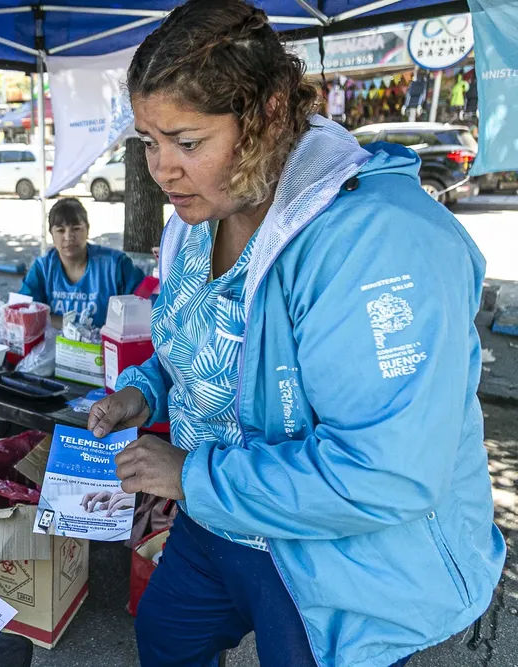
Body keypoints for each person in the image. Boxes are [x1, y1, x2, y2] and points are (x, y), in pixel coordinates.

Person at [87, 2, 505, 666]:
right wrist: (146, 392)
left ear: (269, 112)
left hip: (330, 551)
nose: (160, 169)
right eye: (148, 141)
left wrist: (193, 477)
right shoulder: (193, 223)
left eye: (186, 142)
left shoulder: (371, 242)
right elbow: (208, 351)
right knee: (166, 633)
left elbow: (386, 472)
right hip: (215, 518)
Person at [20, 197, 144, 328]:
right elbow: (23, 311)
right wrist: (72, 327)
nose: (68, 237)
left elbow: (144, 305)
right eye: (60, 230)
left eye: (76, 228)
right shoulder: (43, 268)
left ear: (87, 230)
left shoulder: (116, 265)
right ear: (51, 233)